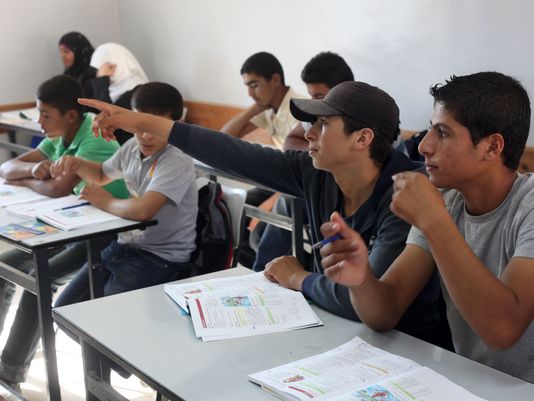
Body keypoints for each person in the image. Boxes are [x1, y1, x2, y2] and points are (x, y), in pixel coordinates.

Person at [77, 81, 444, 345]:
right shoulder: (316, 172)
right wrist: (140, 122)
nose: (308, 133)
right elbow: (233, 154)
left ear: (362, 139)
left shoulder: (406, 195)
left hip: (407, 349)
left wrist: (299, 277)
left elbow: (364, 302)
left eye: (322, 125)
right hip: (338, 331)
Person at [319, 72, 534, 382]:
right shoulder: (445, 198)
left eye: (443, 132)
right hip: (473, 382)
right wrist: (361, 278)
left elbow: (503, 330)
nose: (424, 146)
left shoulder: (526, 207)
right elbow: (385, 312)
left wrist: (434, 221)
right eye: (431, 129)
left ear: (492, 147)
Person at [0, 74, 129, 387]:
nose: (39, 122)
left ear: (70, 115)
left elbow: (59, 188)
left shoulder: (93, 137)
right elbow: (6, 168)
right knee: (6, 265)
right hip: (74, 222)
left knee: (38, 278)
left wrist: (31, 178)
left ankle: (10, 374)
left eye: (45, 115)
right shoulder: (61, 134)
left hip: (110, 230)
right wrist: (34, 170)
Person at [52, 81, 197, 308]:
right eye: (139, 124)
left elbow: (144, 211)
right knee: (64, 308)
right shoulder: (132, 147)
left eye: (156, 126)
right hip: (125, 245)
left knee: (106, 316)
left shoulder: (176, 158)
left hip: (160, 257)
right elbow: (102, 174)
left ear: (176, 124)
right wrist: (76, 163)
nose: (146, 136)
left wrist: (105, 201)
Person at [252, 51, 354, 271]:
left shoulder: (362, 115)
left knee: (286, 204)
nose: (314, 103)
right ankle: (267, 272)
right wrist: (319, 153)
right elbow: (291, 141)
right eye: (311, 96)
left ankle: (267, 272)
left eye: (319, 96)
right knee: (261, 226)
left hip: (346, 196)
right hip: (317, 188)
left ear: (341, 90)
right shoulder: (316, 115)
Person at [221, 51, 305, 266]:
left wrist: (269, 205)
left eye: (254, 85)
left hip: (301, 186)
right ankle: (261, 272)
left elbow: (304, 171)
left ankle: (296, 270)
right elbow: (224, 138)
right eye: (247, 86)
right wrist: (255, 108)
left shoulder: (299, 109)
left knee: (258, 234)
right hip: (282, 179)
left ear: (275, 80)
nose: (250, 93)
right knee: (234, 213)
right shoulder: (270, 108)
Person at [90, 43, 149, 144]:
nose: (99, 73)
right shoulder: (113, 89)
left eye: (104, 68)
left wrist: (102, 80)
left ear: (118, 65)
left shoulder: (137, 92)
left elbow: (108, 120)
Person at [58, 31, 97, 98]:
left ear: (79, 52)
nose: (61, 56)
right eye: (60, 51)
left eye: (66, 51)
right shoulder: (68, 75)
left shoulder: (93, 77)